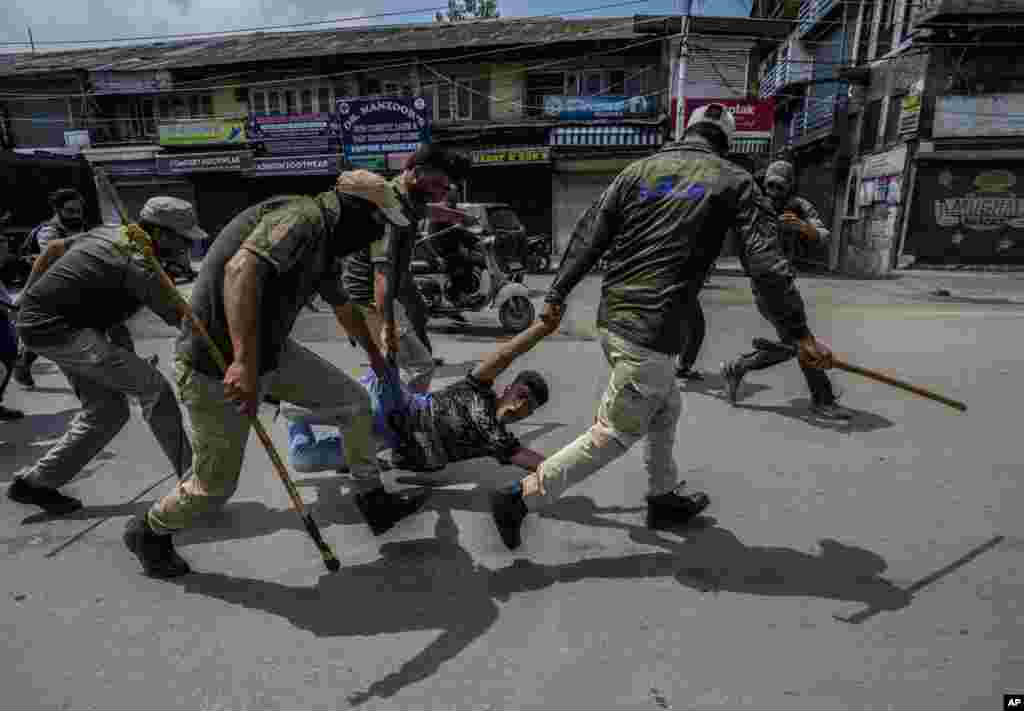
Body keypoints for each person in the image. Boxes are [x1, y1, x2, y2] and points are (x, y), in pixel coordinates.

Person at [489, 103, 835, 550]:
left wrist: (556, 294)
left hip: (614, 320)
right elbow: (768, 268)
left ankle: (663, 497)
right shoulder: (733, 180)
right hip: (651, 333)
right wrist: (800, 334)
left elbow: (588, 235)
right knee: (616, 432)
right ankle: (520, 498)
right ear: (726, 143)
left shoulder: (636, 173)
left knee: (666, 407)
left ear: (685, 132)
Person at [124, 171, 433, 579]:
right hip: (213, 365)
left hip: (268, 353)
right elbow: (241, 270)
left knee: (353, 402)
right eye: (378, 224)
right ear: (357, 210)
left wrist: (376, 357)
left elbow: (342, 306)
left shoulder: (325, 240)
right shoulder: (302, 217)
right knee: (213, 487)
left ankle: (372, 498)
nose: (375, 237)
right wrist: (244, 364)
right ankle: (148, 530)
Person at [6, 197, 201, 517]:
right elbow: (183, 321)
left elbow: (55, 249)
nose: (186, 247)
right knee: (154, 389)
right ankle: (192, 481)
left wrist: (27, 295)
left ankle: (36, 483)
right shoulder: (139, 265)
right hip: (59, 330)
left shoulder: (110, 231)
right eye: (184, 239)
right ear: (163, 234)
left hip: (61, 325)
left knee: (107, 411)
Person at [281, 315, 554, 477]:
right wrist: (542, 327)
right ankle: (290, 403)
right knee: (359, 410)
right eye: (520, 394)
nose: (520, 405)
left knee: (302, 461)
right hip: (396, 404)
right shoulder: (478, 388)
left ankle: (294, 417)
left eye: (528, 406)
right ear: (507, 389)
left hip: (388, 438)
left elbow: (541, 464)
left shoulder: (502, 442)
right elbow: (506, 354)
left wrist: (575, 463)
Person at [719, 160, 853, 421]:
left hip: (783, 282)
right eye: (769, 185)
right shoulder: (754, 205)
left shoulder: (799, 206)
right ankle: (823, 400)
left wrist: (804, 228)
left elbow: (824, 234)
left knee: (793, 345)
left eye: (780, 186)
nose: (773, 191)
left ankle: (738, 367)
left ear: (790, 186)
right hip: (767, 285)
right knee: (805, 343)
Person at [341, 145, 471, 393]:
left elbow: (428, 210)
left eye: (447, 189)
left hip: (385, 288)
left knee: (394, 360)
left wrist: (458, 217)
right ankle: (398, 417)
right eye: (439, 186)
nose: (442, 194)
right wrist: (388, 326)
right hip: (368, 296)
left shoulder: (410, 197)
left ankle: (381, 407)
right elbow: (382, 275)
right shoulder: (389, 205)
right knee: (421, 367)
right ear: (418, 173)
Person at [13, 188, 90, 389]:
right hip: (47, 290)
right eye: (70, 211)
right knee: (50, 332)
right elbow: (56, 260)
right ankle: (22, 364)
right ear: (58, 210)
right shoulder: (49, 231)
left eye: (79, 210)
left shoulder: (77, 227)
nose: (76, 215)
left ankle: (125, 363)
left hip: (71, 286)